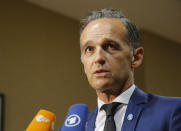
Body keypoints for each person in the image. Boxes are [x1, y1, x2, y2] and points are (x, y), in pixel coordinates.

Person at [79, 8, 181, 131]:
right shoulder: (78, 126)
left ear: (136, 57)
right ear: (84, 63)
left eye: (110, 46)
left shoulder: (172, 111)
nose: (98, 58)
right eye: (89, 49)